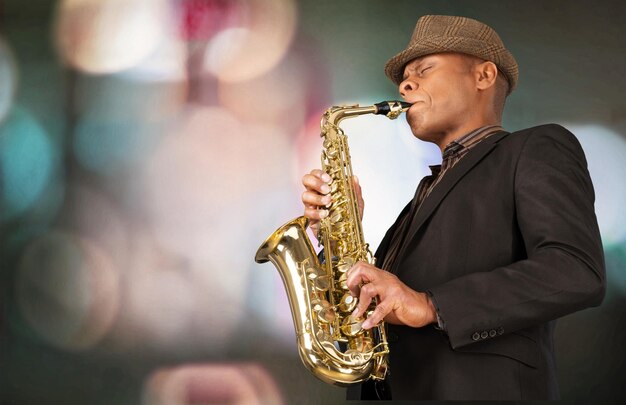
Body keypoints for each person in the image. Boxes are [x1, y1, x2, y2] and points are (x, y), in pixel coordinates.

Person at [300, 15, 605, 400]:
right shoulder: (424, 195)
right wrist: (335, 237)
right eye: (403, 79)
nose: (405, 85)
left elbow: (576, 270)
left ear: (484, 76)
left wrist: (430, 305)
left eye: (423, 70)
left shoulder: (537, 147)